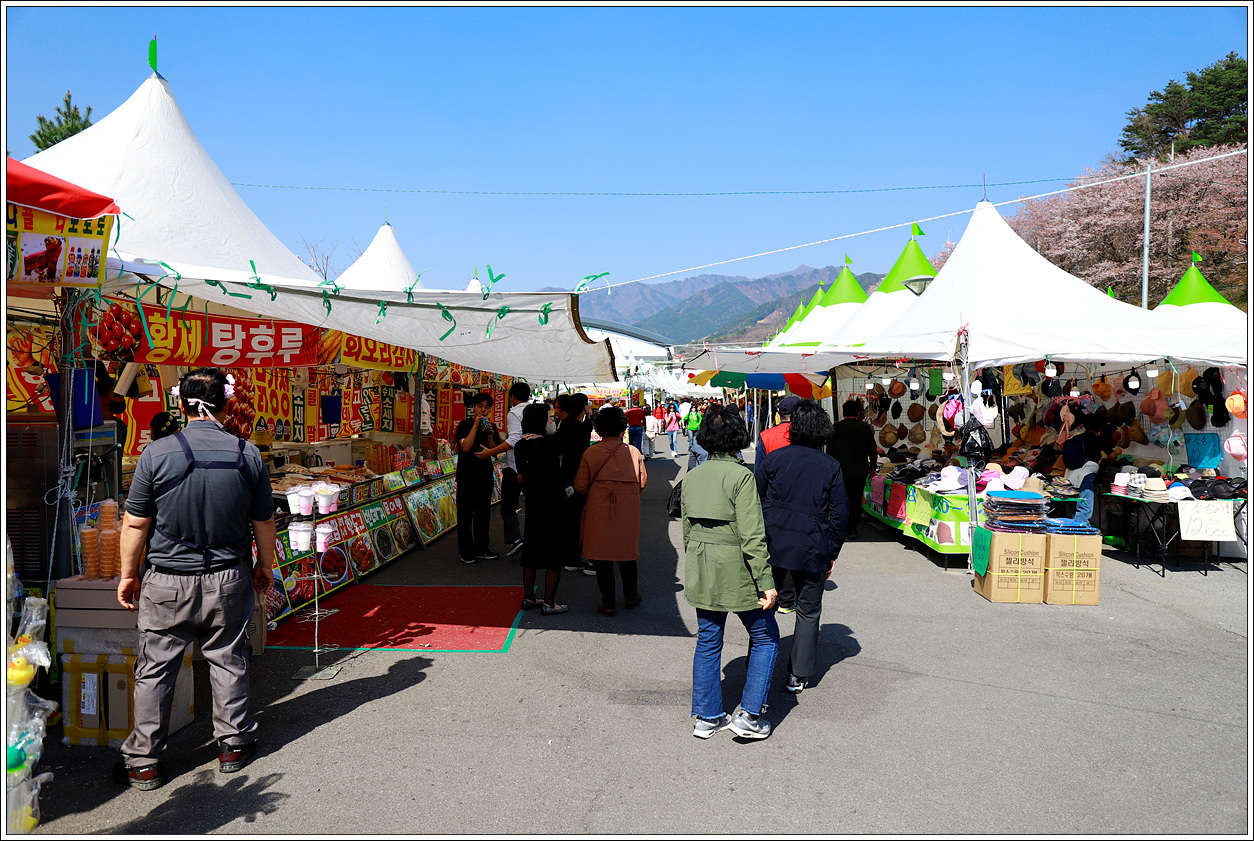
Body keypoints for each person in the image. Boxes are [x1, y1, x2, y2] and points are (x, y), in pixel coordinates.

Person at [114, 367, 275, 790]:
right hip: (229, 579)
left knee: (155, 668)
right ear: (226, 405)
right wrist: (265, 566)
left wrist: (128, 574)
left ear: (181, 405)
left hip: (166, 582)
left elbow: (135, 524)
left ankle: (144, 762)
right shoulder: (247, 454)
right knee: (229, 658)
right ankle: (233, 744)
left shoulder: (156, 453)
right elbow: (263, 521)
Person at [681, 407, 778, 740]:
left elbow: (687, 531)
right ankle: (750, 714)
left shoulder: (692, 476)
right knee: (766, 637)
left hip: (702, 564)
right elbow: (753, 535)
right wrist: (766, 582)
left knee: (708, 640)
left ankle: (707, 716)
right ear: (739, 436)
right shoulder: (741, 476)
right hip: (737, 567)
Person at [757, 400, 848, 694]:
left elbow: (755, 500)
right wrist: (832, 552)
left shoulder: (774, 459)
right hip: (812, 544)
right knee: (808, 611)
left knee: (765, 605)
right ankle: (798, 674)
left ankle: (757, 665)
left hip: (772, 542)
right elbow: (839, 515)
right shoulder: (830, 466)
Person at [575, 406, 647, 616]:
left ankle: (608, 603)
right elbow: (642, 483)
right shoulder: (633, 452)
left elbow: (580, 486)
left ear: (599, 428)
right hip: (628, 508)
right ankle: (631, 596)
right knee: (627, 553)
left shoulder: (591, 452)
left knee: (602, 555)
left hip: (599, 507)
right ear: (622, 428)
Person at [513, 403, 568, 615]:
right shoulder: (549, 444)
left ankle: (528, 597)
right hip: (552, 503)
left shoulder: (520, 445)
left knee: (531, 550)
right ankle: (549, 603)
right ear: (540, 421)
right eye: (549, 418)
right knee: (554, 554)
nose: (552, 421)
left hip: (533, 502)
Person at [476, 381, 532, 556]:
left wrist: (490, 452)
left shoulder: (514, 412)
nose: (483, 410)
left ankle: (516, 539)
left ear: (512, 397)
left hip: (515, 466)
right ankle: (534, 542)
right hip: (534, 465)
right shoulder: (536, 410)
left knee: (508, 505)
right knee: (533, 505)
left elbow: (514, 440)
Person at [455, 392, 503, 563]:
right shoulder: (464, 425)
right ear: (473, 407)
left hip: (484, 476)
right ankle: (466, 552)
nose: (483, 410)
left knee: (483, 515)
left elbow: (495, 452)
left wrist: (490, 435)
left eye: (486, 407)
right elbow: (466, 447)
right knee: (465, 515)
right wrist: (475, 426)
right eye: (480, 406)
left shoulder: (492, 426)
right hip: (466, 476)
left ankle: (482, 548)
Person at [553, 393, 595, 574]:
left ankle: (568, 555)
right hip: (576, 477)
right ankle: (572, 557)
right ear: (584, 408)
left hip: (565, 476)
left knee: (569, 517)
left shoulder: (566, 425)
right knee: (575, 518)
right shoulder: (578, 427)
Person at [825, 399, 877, 540]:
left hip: (840, 472)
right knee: (856, 499)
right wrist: (872, 467)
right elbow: (872, 450)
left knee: (841, 500)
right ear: (859, 414)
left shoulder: (836, 429)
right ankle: (852, 528)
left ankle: (841, 527)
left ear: (843, 413)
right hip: (859, 471)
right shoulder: (865, 428)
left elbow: (829, 451)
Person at [755, 395, 800, 477]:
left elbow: (759, 472)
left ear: (779, 414)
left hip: (773, 482)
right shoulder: (806, 433)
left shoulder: (766, 436)